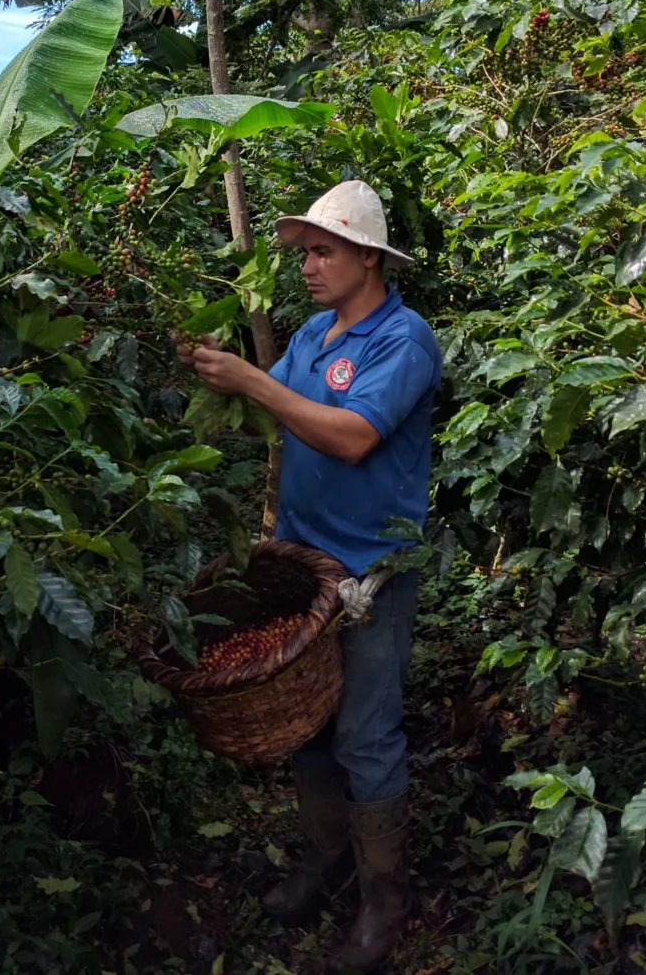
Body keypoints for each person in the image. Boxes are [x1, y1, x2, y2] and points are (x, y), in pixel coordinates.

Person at [177, 179, 441, 971]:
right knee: (312, 730)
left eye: (323, 251)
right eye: (305, 252)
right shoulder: (315, 335)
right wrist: (227, 374)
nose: (308, 265)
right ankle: (327, 865)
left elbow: (353, 435)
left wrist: (254, 382)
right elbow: (283, 409)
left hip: (371, 573)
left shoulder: (405, 340)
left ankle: (382, 902)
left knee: (365, 734)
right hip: (308, 569)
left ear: (369, 257)